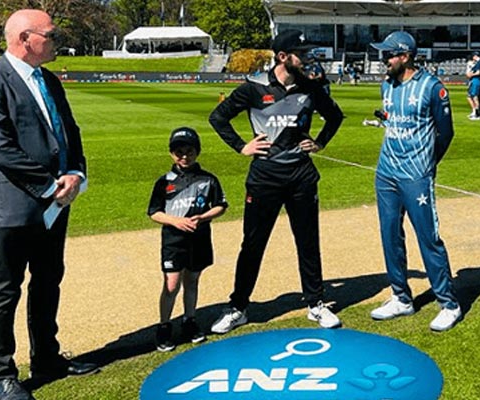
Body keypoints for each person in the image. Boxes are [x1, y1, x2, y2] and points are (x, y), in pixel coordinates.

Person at [0, 9, 99, 400]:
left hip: (53, 205)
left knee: (47, 282)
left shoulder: (49, 80)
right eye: (51, 35)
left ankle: (47, 358)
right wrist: (50, 185)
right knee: (4, 291)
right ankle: (2, 376)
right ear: (26, 38)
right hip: (9, 208)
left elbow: (69, 133)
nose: (57, 41)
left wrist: (76, 172)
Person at [209, 29, 344, 334]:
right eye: (302, 53)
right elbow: (218, 117)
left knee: (308, 242)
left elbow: (335, 117)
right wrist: (242, 146)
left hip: (301, 177)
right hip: (264, 177)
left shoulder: (311, 88)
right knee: (253, 244)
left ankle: (315, 304)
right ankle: (238, 307)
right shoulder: (253, 87)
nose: (308, 57)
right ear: (283, 57)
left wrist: (320, 142)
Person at [369, 31, 462, 332]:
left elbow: (445, 133)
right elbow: (390, 120)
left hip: (416, 176)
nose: (384, 60)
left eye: (389, 54)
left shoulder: (433, 89)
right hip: (386, 173)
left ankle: (449, 303)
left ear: (406, 56)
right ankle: (401, 297)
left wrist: (428, 163)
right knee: (390, 235)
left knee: (428, 237)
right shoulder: (387, 84)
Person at [147, 127, 228, 352]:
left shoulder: (208, 179)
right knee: (171, 285)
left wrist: (203, 217)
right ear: (172, 154)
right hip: (173, 240)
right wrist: (176, 221)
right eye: (179, 152)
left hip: (199, 238)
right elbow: (154, 212)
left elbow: (221, 206)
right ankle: (164, 326)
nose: (184, 156)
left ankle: (189, 321)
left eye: (189, 151)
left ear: (197, 151)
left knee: (192, 280)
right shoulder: (164, 182)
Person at [466, 51, 480, 120]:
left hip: (476, 81)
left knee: (475, 97)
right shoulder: (478, 63)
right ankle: (477, 113)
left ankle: (478, 114)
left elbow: (478, 72)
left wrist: (471, 75)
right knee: (473, 97)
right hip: (475, 81)